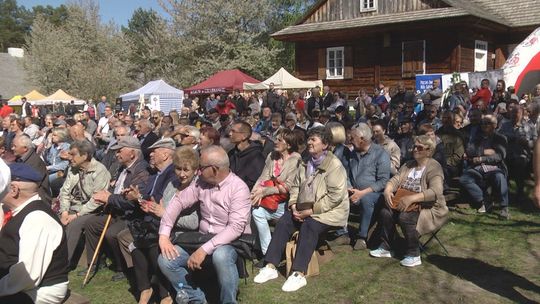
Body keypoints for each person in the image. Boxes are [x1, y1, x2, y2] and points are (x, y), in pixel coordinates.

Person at [254, 127, 349, 292]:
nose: (309, 142)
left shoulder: (334, 165)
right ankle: (270, 266)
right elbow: (296, 187)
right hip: (303, 207)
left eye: (314, 140)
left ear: (325, 144)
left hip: (329, 212)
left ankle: (298, 273)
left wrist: (311, 211)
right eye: (309, 139)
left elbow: (335, 197)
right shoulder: (305, 162)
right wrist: (292, 205)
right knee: (284, 221)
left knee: (310, 225)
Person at [158, 145, 252, 304]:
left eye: (201, 168)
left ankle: (228, 301)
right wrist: (163, 235)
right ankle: (196, 299)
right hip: (201, 238)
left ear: (215, 169)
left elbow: (235, 228)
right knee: (165, 260)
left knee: (221, 256)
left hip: (230, 242)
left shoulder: (238, 188)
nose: (198, 172)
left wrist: (203, 250)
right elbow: (179, 201)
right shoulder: (201, 183)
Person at [370, 135, 448, 267]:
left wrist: (412, 198)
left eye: (419, 147)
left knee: (405, 217)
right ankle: (386, 247)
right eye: (414, 147)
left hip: (427, 206)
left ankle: (414, 253)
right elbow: (395, 180)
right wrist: (388, 190)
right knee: (385, 212)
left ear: (429, 151)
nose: (415, 150)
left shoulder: (434, 167)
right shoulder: (408, 165)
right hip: (403, 201)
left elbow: (436, 192)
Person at [0, 163, 69, 303]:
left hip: (38, 291)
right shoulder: (19, 211)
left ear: (13, 189)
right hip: (15, 283)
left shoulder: (37, 218)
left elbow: (27, 275)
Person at [86, 136, 151, 281]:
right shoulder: (122, 168)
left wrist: (109, 198)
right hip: (116, 210)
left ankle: (124, 267)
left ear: (132, 153)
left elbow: (130, 202)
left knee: (112, 233)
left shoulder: (141, 171)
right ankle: (96, 262)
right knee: (91, 224)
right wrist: (107, 195)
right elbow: (115, 189)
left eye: (120, 151)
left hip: (130, 214)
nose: (116, 154)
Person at [251, 129, 302, 260]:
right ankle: (266, 251)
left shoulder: (295, 159)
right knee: (252, 208)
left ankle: (267, 252)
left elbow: (287, 187)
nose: (275, 142)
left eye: (280, 140)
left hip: (287, 202)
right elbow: (263, 177)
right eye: (276, 138)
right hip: (271, 199)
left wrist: (264, 191)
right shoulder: (272, 156)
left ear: (289, 145)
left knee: (256, 212)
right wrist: (254, 191)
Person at [58, 140, 111, 266]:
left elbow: (97, 200)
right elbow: (64, 191)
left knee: (74, 225)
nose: (69, 157)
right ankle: (52, 257)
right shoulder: (73, 169)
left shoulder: (99, 171)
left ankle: (63, 263)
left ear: (85, 156)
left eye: (73, 154)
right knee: (55, 221)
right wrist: (64, 212)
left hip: (94, 210)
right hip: (74, 206)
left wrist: (76, 215)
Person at [344, 123, 390, 250]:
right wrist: (348, 187)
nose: (350, 141)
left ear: (362, 139)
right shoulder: (353, 154)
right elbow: (347, 175)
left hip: (374, 194)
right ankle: (340, 233)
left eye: (352, 138)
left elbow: (383, 181)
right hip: (353, 191)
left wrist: (362, 193)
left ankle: (362, 237)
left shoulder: (381, 154)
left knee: (366, 199)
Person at [459, 115, 510, 219]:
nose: (483, 125)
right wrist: (484, 152)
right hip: (478, 167)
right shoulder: (478, 138)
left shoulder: (500, 138)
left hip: (495, 167)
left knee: (499, 177)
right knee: (465, 179)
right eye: (482, 123)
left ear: (494, 125)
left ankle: (504, 207)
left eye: (487, 123)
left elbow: (499, 156)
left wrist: (482, 158)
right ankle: (484, 200)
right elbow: (469, 150)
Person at [12, 135, 52, 204]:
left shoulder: (34, 162)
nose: (12, 148)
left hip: (38, 201)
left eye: (15, 146)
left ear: (25, 148)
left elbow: (29, 186)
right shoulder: (21, 159)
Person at [228, 121, 265, 190]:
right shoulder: (231, 153)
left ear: (244, 136)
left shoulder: (256, 156)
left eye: (233, 131)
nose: (230, 134)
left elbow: (254, 181)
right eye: (230, 131)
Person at [42, 128, 71, 197]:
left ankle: (50, 197)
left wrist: (49, 168)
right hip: (51, 170)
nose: (52, 137)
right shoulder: (53, 147)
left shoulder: (67, 147)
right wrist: (47, 147)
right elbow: (47, 159)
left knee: (45, 181)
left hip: (61, 172)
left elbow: (64, 165)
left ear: (61, 136)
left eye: (55, 135)